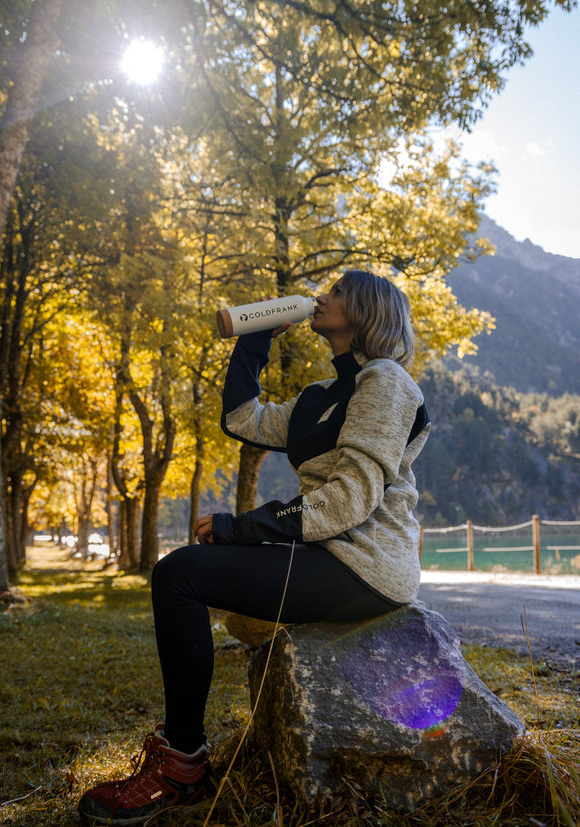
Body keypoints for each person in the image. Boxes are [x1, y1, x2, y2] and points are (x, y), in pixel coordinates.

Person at [78, 269, 430, 826]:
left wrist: (241, 526)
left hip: (363, 565)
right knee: (182, 572)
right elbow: (242, 418)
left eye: (336, 291)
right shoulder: (321, 396)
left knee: (182, 574)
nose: (321, 296)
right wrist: (257, 333)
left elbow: (348, 501)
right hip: (326, 554)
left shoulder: (386, 382)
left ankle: (181, 769)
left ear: (365, 310)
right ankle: (184, 762)